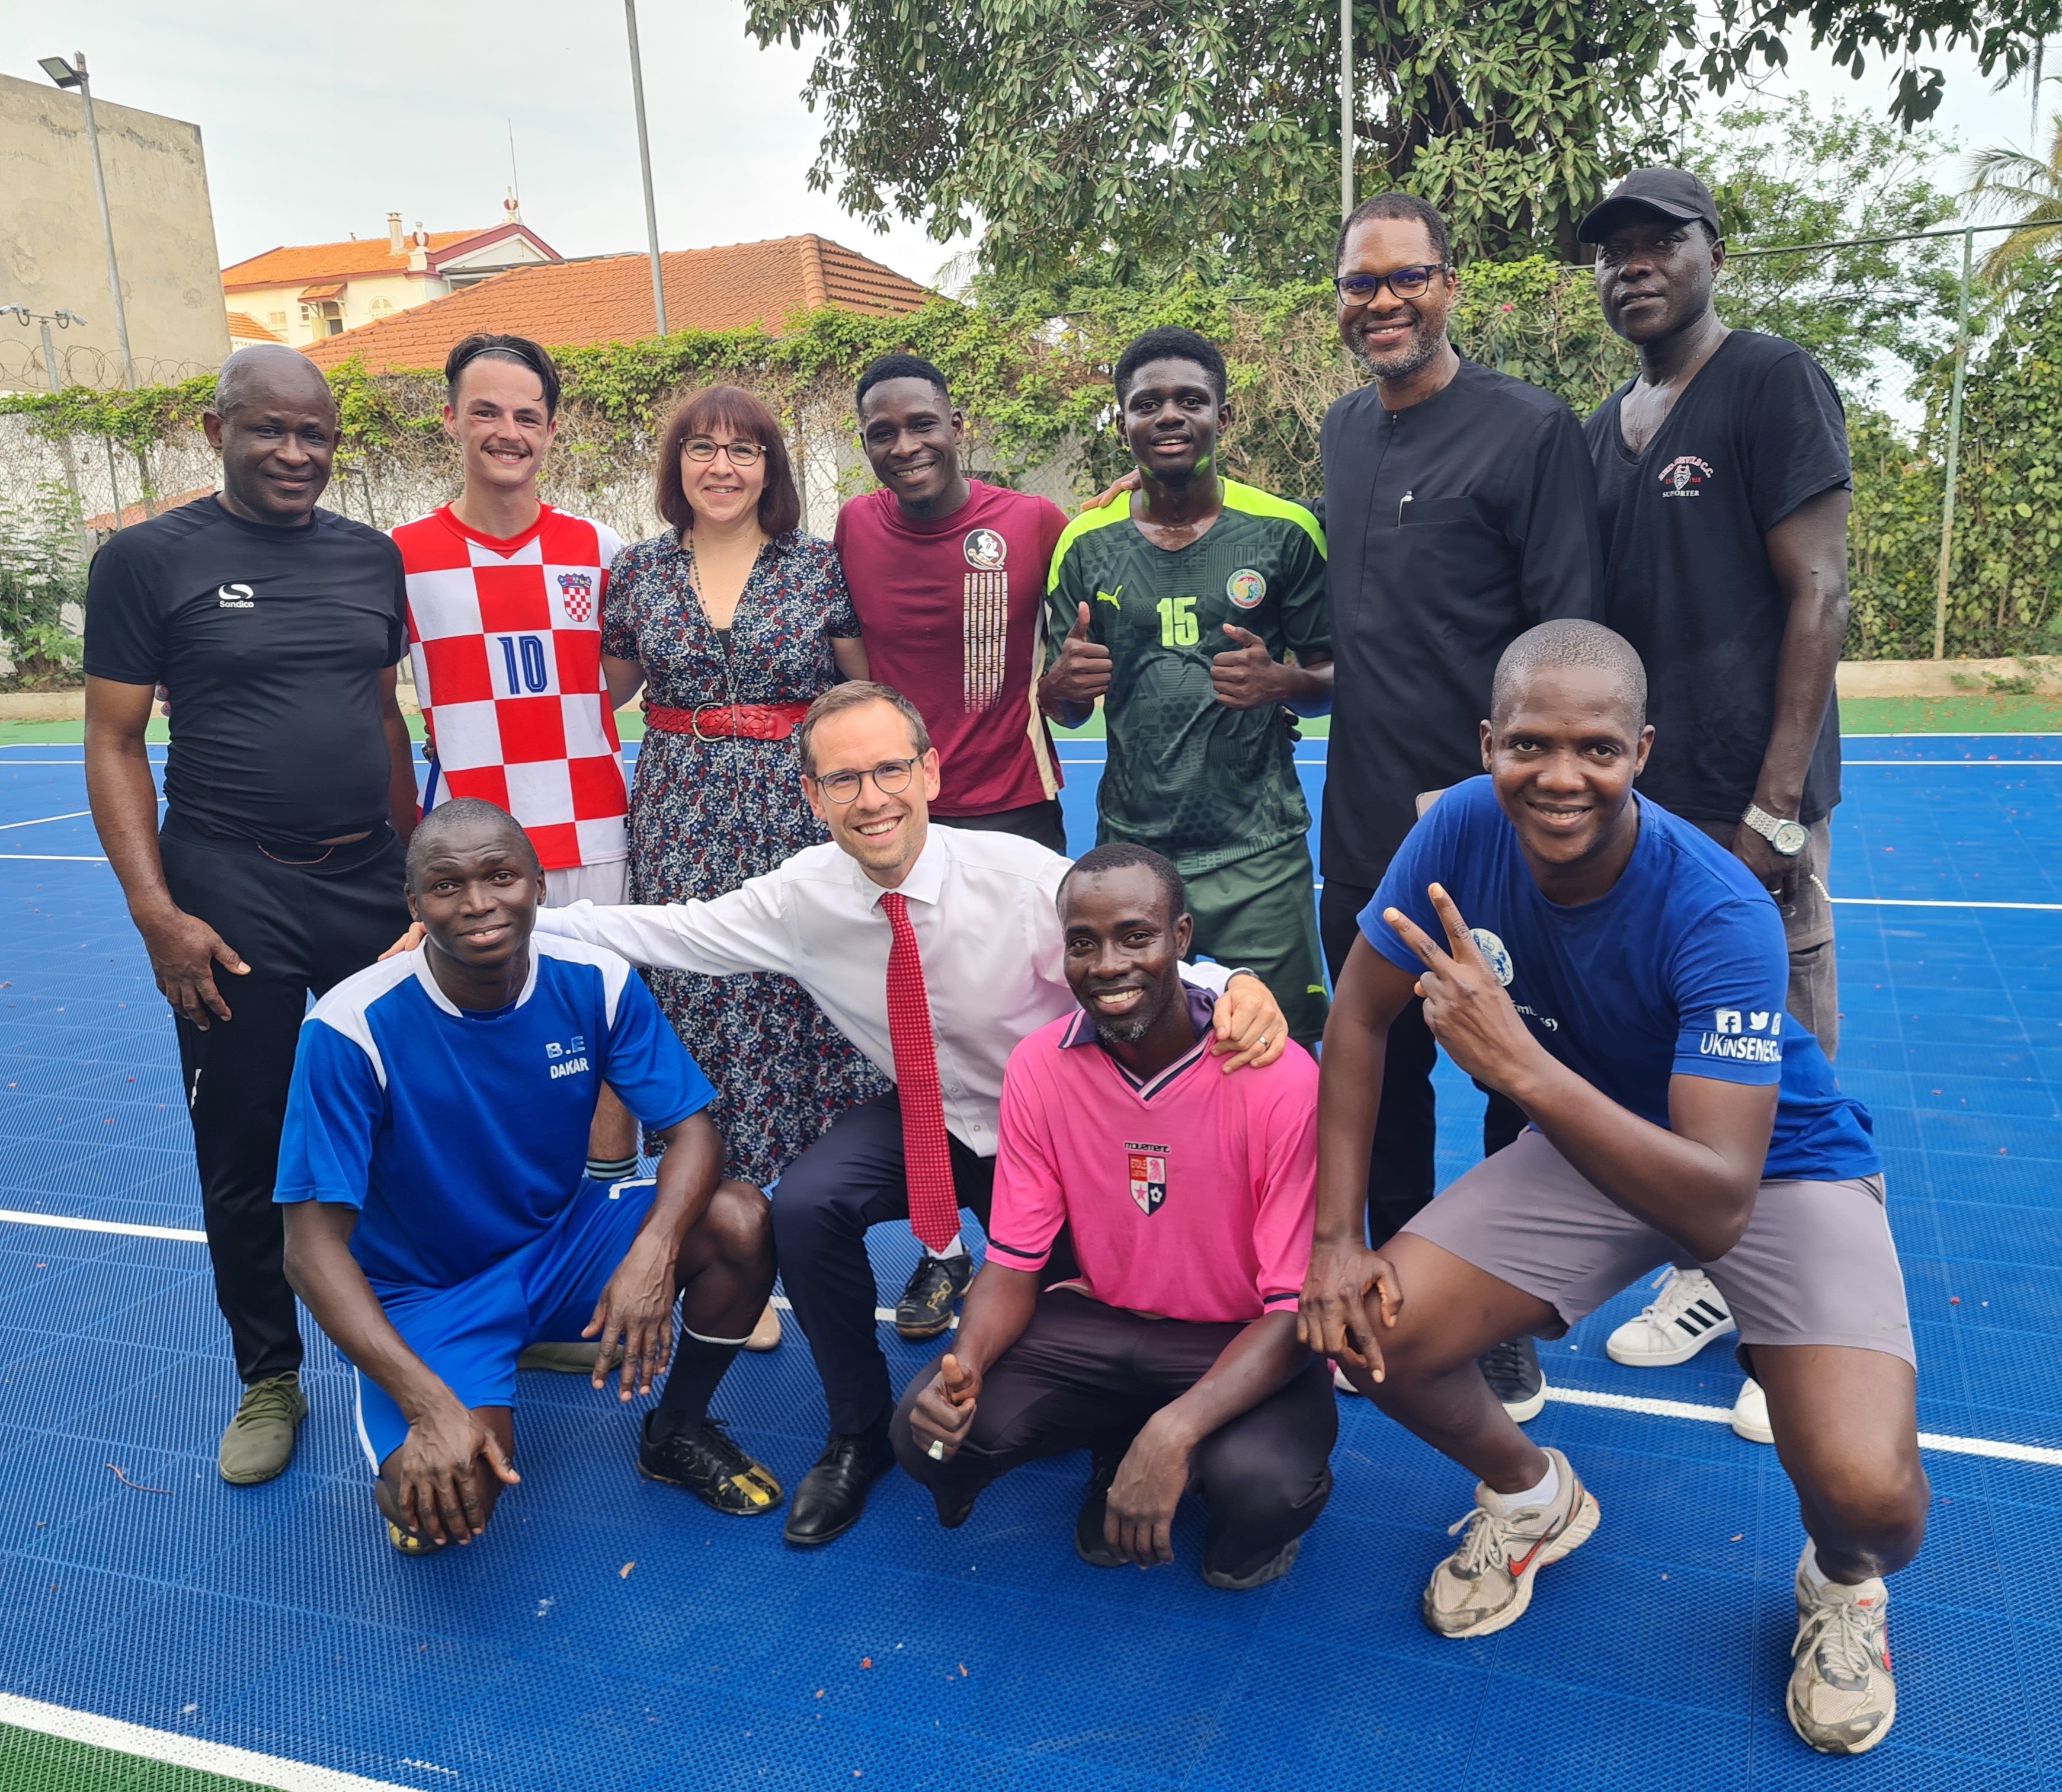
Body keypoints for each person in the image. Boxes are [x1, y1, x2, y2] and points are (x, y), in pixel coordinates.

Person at [1304, 620, 1923, 1758]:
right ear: (1488, 742)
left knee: (1874, 1496)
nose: (1559, 774)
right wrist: (1337, 1236)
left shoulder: (1720, 907)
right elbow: (1356, 1015)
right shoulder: (1455, 828)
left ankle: (1843, 1585)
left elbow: (1713, 1205)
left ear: (1641, 749)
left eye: (1595, 747)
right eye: (1529, 743)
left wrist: (1521, 1070)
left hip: (1765, 1166)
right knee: (1370, 1328)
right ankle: (1534, 1496)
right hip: (1593, 1146)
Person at [528, 681, 1289, 1546]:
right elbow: (666, 931)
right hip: (929, 1120)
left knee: (1097, 1293)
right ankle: (856, 1433)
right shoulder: (800, 896)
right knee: (807, 1204)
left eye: (890, 769)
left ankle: (1107, 1445)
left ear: (930, 771)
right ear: (810, 796)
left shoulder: (1018, 880)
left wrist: (1236, 984)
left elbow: (1134, 947)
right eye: (843, 780)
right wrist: (509, 922)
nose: (871, 798)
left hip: (1055, 1137)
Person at [82, 345, 420, 1489]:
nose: (294, 452)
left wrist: (413, 862)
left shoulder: (372, 559)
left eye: (315, 433)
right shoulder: (145, 561)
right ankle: (269, 1372)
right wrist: (154, 912)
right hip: (228, 887)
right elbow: (115, 741)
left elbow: (381, 715)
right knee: (244, 1140)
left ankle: (459, 1315)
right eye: (269, 429)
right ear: (216, 428)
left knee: (417, 1112)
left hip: (369, 878)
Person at [278, 801, 783, 1552]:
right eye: (446, 887)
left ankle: (674, 1432)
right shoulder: (350, 1029)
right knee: (448, 1505)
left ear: (539, 886)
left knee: (739, 1218)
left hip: (563, 1242)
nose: (479, 903)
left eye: (501, 876)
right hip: (427, 1292)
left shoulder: (594, 981)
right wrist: (425, 1407)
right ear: (414, 905)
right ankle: (451, 1391)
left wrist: (652, 1254)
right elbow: (310, 1251)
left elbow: (691, 1132)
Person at [1317, 191, 1604, 1418]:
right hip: (1363, 814)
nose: (1380, 301)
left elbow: (1568, 639)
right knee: (1375, 1059)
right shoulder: (1337, 433)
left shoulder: (1529, 432)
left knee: (1506, 1071)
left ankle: (1496, 1303)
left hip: (1492, 827)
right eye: (1358, 284)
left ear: (1449, 287)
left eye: (1404, 278)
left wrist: (1518, 791)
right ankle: (1395, 1264)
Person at [1581, 171, 1855, 1413]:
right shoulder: (1605, 424)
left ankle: (1799, 1326)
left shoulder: (1769, 380)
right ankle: (1711, 1276)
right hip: (1650, 797)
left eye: (1658, 243)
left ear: (1711, 253)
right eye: (1611, 252)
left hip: (1751, 800)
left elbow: (1818, 592)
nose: (1632, 266)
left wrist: (1776, 808)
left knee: (1781, 1053)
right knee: (1681, 1055)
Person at [895, 843, 1335, 1591]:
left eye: (1136, 936)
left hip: (1243, 1335)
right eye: (1082, 943)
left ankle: (1202, 1478)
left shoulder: (1278, 1076)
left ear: (1182, 941)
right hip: (1102, 1322)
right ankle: (1115, 1439)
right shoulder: (1039, 1066)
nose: (1106, 965)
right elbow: (1011, 1261)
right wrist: (962, 1369)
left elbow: (1294, 1307)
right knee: (928, 1437)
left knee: (1260, 1492)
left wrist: (1175, 1429)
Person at [598, 386, 880, 1215]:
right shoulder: (638, 570)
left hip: (795, 815)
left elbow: (863, 692)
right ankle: (727, 1223)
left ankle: (832, 1215)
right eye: (700, 448)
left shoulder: (818, 565)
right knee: (696, 998)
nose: (721, 467)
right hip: (678, 818)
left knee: (805, 994)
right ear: (675, 463)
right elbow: (602, 691)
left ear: (770, 468)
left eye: (743, 450)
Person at [390, 334, 641, 1197]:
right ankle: (510, 1245)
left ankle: (609, 1235)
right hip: (471, 856)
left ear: (552, 429)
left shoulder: (600, 549)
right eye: (487, 411)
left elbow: (622, 677)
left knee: (605, 1039)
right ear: (450, 418)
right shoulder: (401, 556)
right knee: (485, 1045)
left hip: (595, 833)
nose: (508, 431)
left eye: (527, 415)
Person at [1041, 326, 1334, 1048]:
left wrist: (1283, 681)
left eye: (1189, 400)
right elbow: (1061, 701)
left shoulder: (1284, 532)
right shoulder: (1084, 544)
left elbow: (1335, 680)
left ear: (1222, 417)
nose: (1167, 416)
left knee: (1280, 1055)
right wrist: (1063, 683)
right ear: (1123, 424)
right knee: (1142, 1051)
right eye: (1146, 404)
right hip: (1134, 854)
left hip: (1257, 852)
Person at [836, 355, 1071, 851]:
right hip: (893, 804)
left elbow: (1102, 550)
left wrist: (1131, 499)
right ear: (865, 445)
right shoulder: (854, 524)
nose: (905, 448)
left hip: (1014, 802)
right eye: (883, 434)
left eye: (923, 425)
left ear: (956, 426)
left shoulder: (1034, 522)